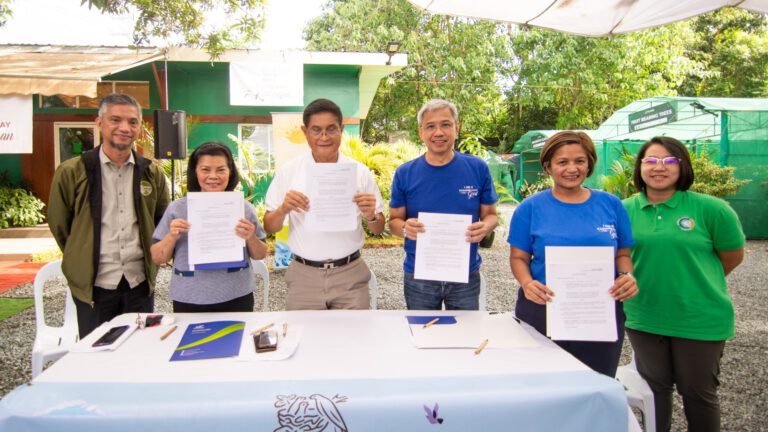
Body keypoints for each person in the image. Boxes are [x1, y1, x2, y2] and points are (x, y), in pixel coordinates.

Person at [623, 137, 745, 432]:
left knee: (698, 394)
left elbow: (731, 257)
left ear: (683, 166)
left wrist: (696, 283)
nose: (659, 167)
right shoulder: (623, 210)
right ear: (640, 167)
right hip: (644, 317)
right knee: (655, 393)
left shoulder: (712, 209)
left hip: (700, 319)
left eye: (669, 160)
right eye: (650, 160)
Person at [507, 131, 637, 377]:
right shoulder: (530, 208)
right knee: (542, 384)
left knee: (595, 384)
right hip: (542, 307)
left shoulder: (611, 205)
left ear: (589, 164)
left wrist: (626, 275)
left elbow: (622, 255)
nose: (571, 168)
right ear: (548, 166)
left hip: (598, 310)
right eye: (562, 162)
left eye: (579, 161)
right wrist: (527, 283)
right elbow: (518, 258)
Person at [48, 93, 170, 337]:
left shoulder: (151, 173)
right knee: (97, 355)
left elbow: (161, 221)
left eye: (132, 122)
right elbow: (60, 225)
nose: (124, 128)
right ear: (100, 123)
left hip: (139, 282)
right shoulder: (72, 171)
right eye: (116, 120)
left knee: (139, 351)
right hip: (95, 287)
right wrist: (81, 253)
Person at [262, 98, 385, 310]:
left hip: (350, 275)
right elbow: (269, 227)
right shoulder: (289, 171)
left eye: (331, 129)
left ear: (342, 129)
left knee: (353, 340)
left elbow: (378, 228)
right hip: (304, 276)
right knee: (303, 338)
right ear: (305, 131)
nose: (324, 137)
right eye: (316, 130)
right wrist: (283, 209)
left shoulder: (359, 172)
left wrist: (371, 215)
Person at [388, 99, 498, 310]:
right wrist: (404, 228)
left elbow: (491, 215)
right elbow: (393, 222)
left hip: (464, 273)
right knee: (422, 335)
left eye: (445, 124)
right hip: (419, 275)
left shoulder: (477, 168)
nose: (438, 132)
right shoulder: (405, 173)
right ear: (421, 132)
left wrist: (485, 227)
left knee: (465, 337)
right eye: (431, 126)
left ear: (456, 128)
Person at [150, 142, 268, 312]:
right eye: (205, 169)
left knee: (237, 338)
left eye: (221, 170)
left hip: (236, 296)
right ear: (195, 172)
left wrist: (251, 237)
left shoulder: (243, 208)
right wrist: (171, 237)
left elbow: (261, 253)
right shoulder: (177, 209)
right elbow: (158, 258)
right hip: (190, 297)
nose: (213, 176)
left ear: (230, 172)